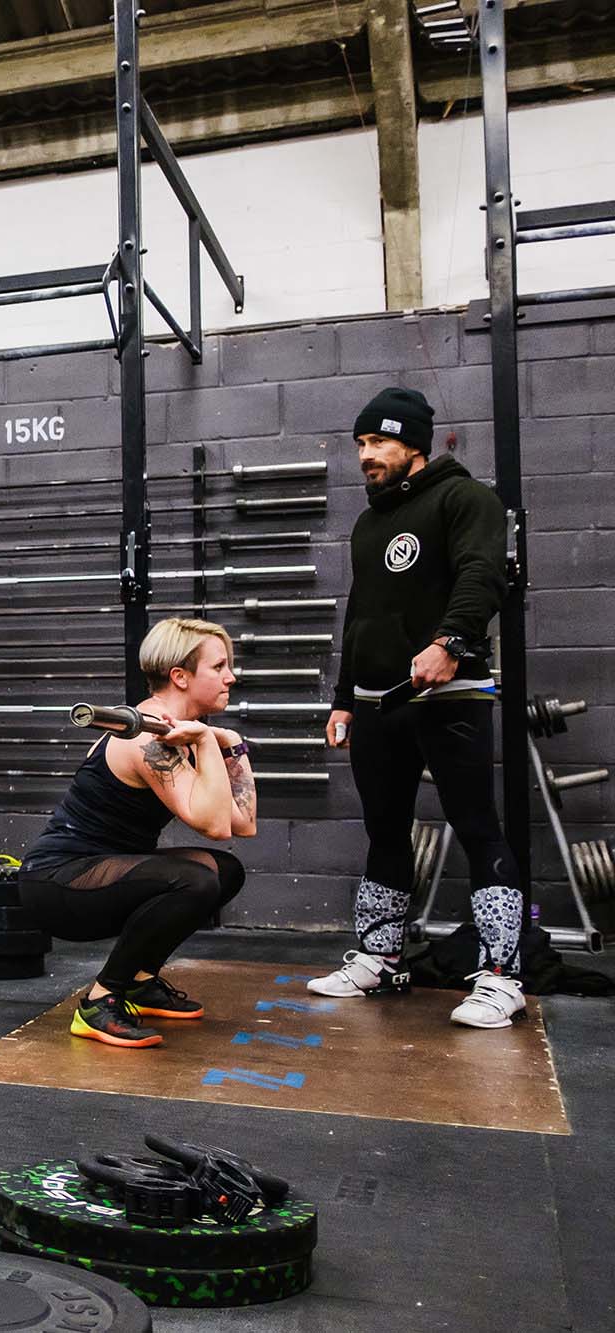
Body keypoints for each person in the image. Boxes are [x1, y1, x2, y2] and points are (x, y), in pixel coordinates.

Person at [312, 387, 522, 1029]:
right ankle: (381, 958)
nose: (366, 456)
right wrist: (345, 698)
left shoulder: (466, 500)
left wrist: (450, 643)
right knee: (384, 830)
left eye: (378, 442)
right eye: (361, 445)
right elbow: (362, 616)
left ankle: (501, 976)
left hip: (447, 692)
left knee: (476, 823)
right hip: (378, 704)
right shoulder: (370, 521)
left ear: (414, 445)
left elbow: (482, 575)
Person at [18, 618, 256, 1049]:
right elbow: (219, 825)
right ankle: (100, 1001)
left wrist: (231, 743)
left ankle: (140, 982)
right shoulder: (144, 737)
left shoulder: (181, 733)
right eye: (219, 667)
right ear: (180, 677)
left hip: (109, 872)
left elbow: (243, 823)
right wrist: (206, 743)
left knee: (226, 871)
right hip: (59, 881)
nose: (230, 677)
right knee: (195, 879)